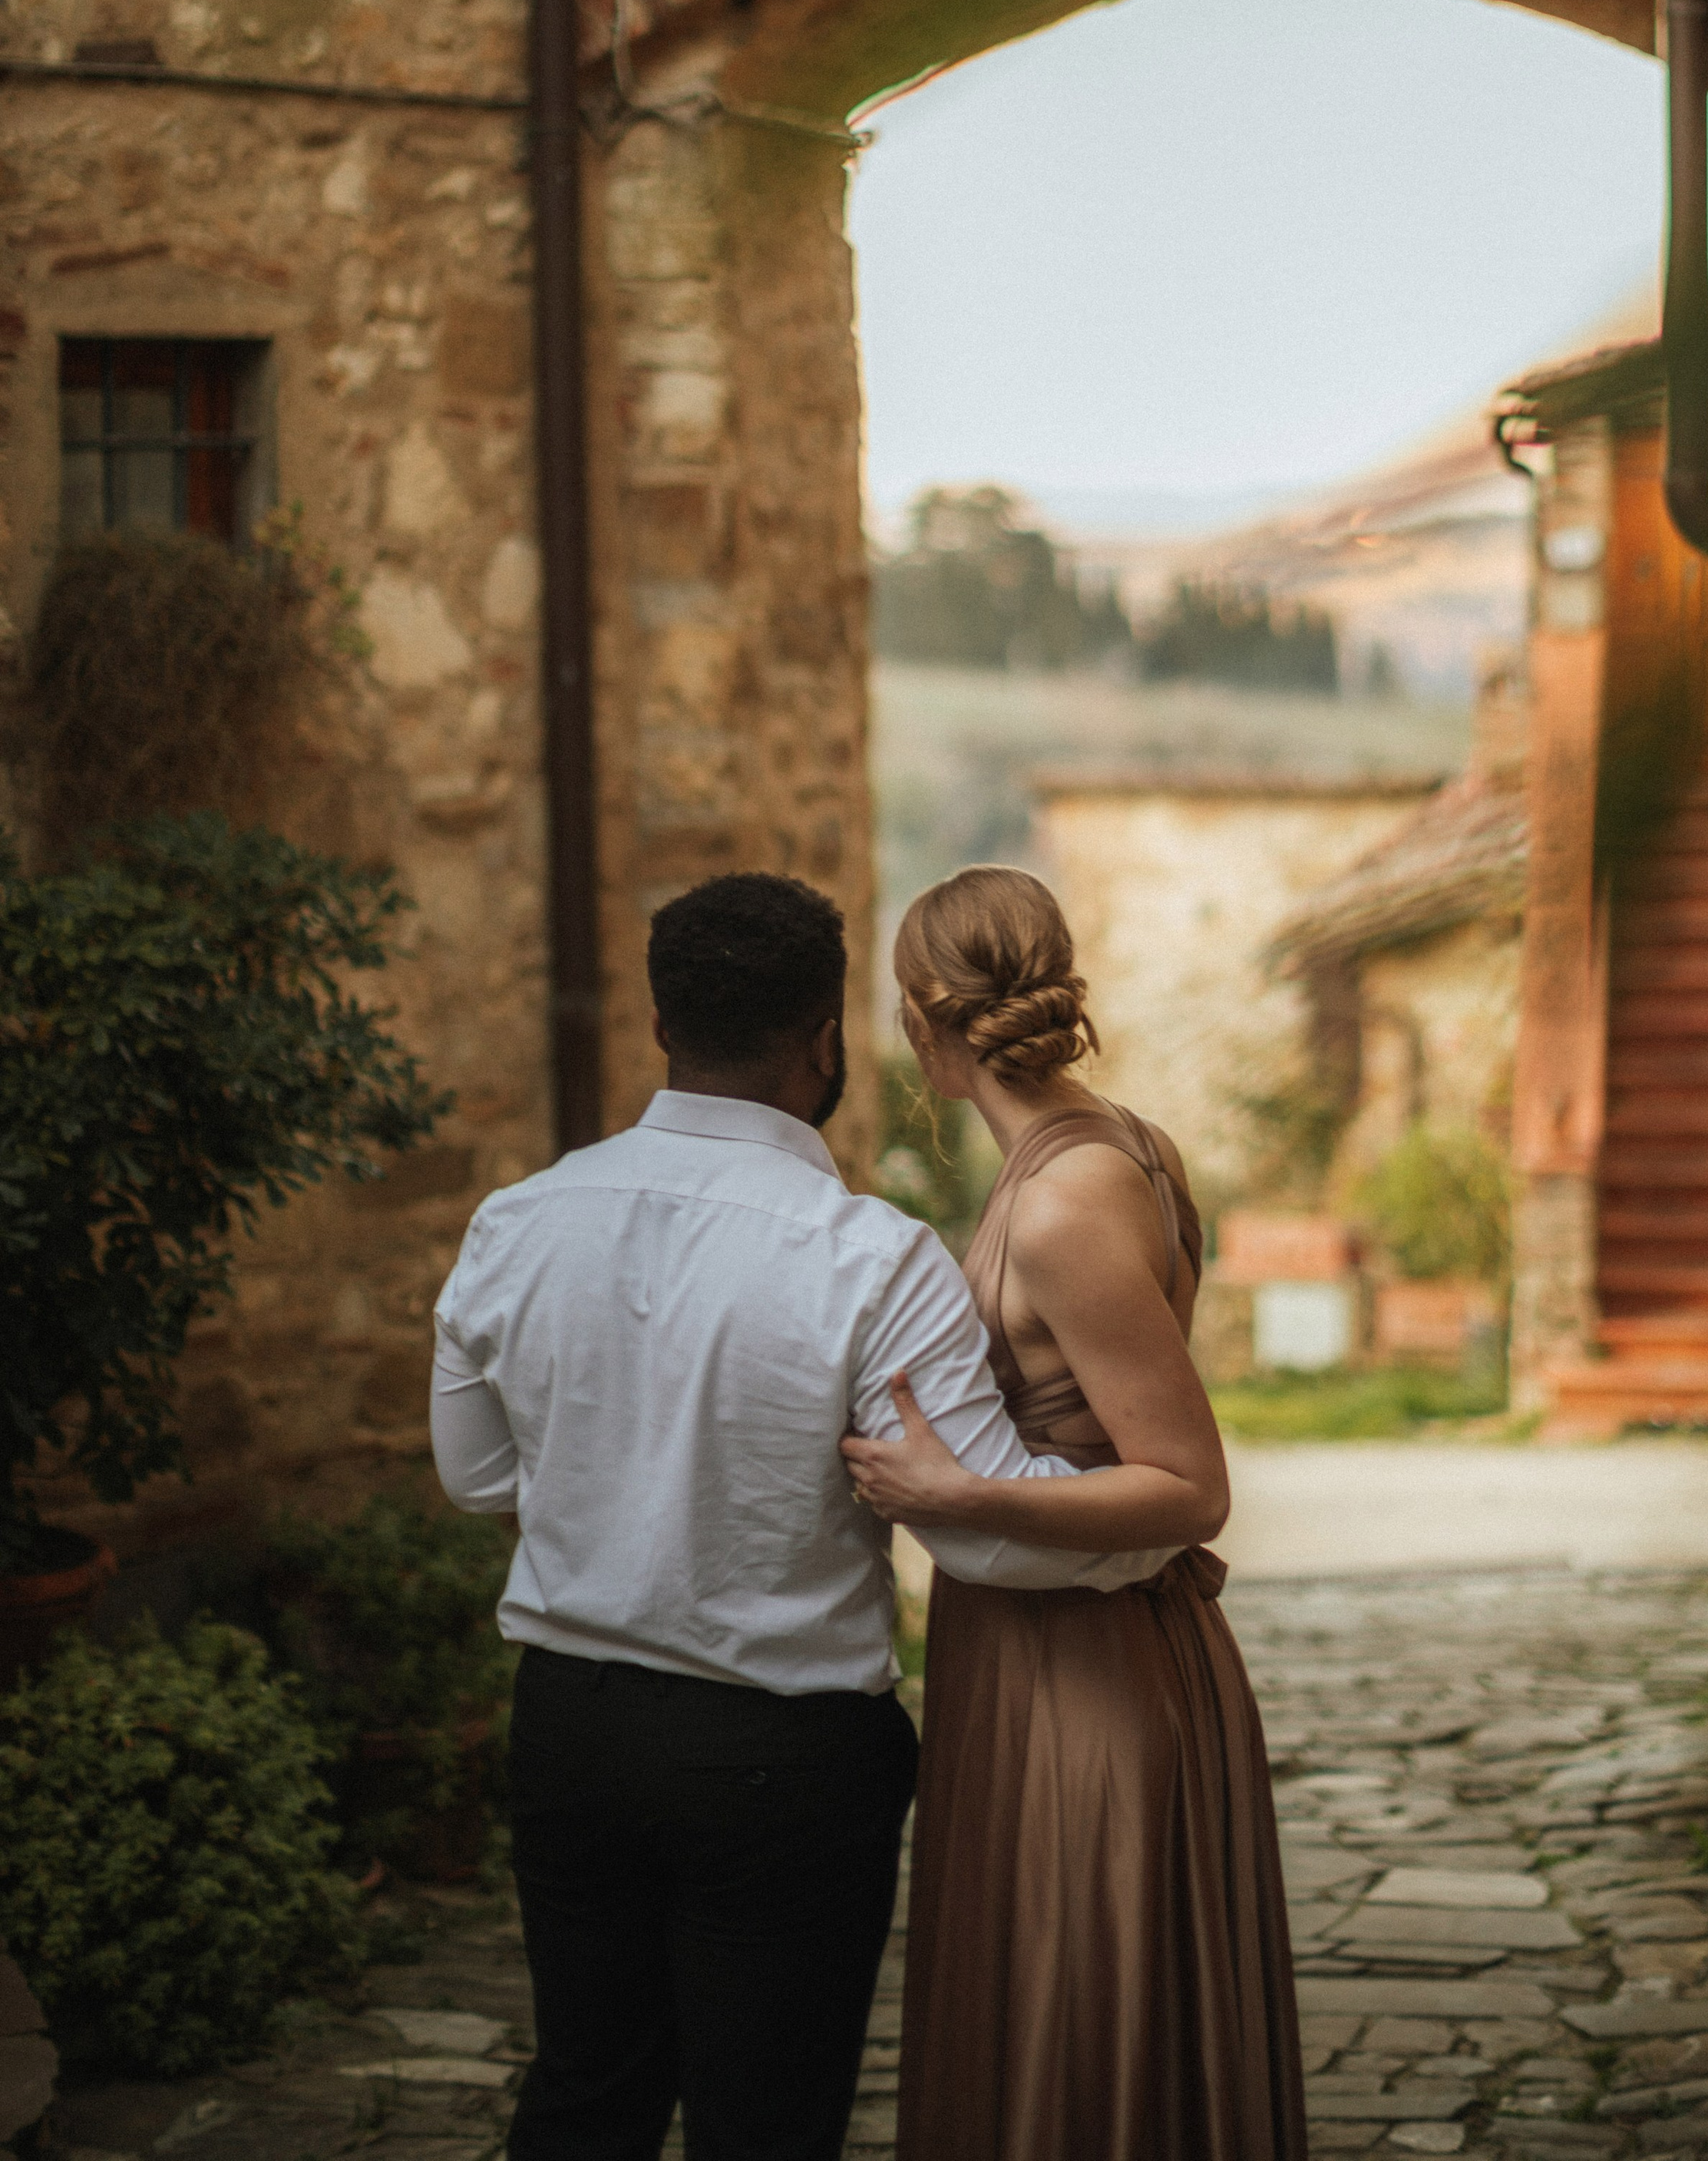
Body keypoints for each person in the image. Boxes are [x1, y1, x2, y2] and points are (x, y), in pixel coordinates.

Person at [428, 871, 1180, 2161]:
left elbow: (476, 1476)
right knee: (767, 2124)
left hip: (571, 1729)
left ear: (661, 1026)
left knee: (584, 2092)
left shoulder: (514, 1222)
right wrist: (1149, 1531)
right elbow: (978, 1529)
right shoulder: (875, 1258)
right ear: (826, 1041)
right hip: (783, 1757)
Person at [841, 865, 1307, 2161]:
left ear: (920, 1021)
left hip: (1081, 1672)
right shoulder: (1123, 1142)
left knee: (1077, 2026)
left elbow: (1190, 1484)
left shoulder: (1061, 1205)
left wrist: (958, 1493)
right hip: (1062, 1646)